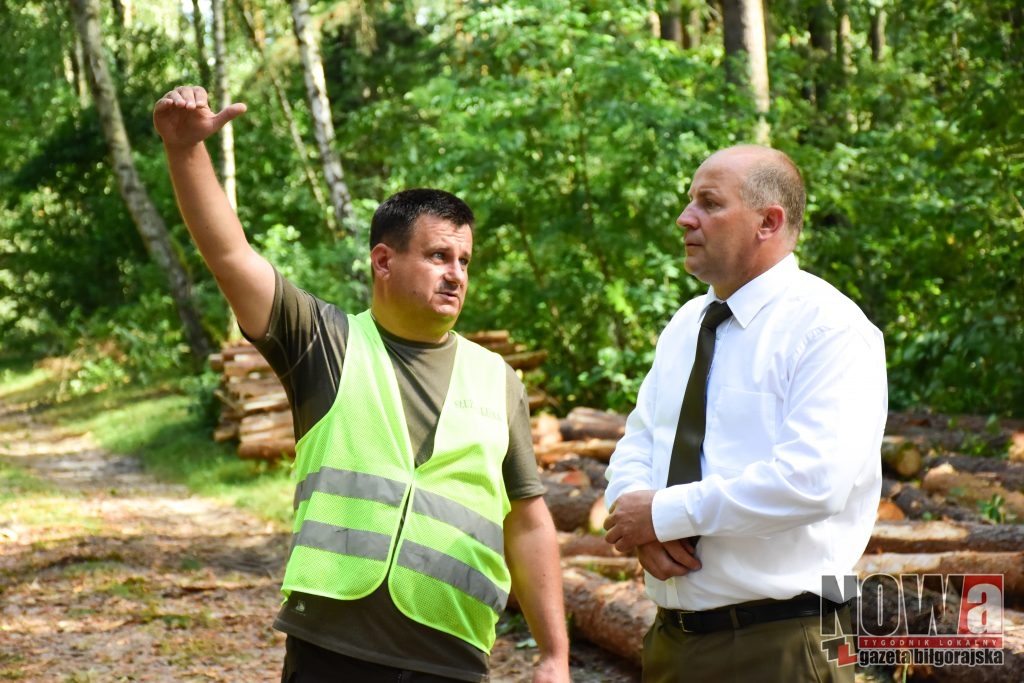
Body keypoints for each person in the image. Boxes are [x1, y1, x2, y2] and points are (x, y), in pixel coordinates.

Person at [153, 85, 570, 683]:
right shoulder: (324, 342)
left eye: (464, 261)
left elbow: (527, 520)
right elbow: (230, 255)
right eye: (438, 257)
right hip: (331, 652)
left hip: (452, 657)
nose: (456, 275)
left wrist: (554, 656)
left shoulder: (497, 378)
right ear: (383, 261)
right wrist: (185, 150)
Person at [602, 144, 887, 682]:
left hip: (782, 647)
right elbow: (640, 439)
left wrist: (666, 514)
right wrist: (637, 522)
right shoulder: (688, 324)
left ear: (768, 221)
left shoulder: (831, 330)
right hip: (671, 641)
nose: (686, 218)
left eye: (708, 203)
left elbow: (813, 481)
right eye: (690, 202)